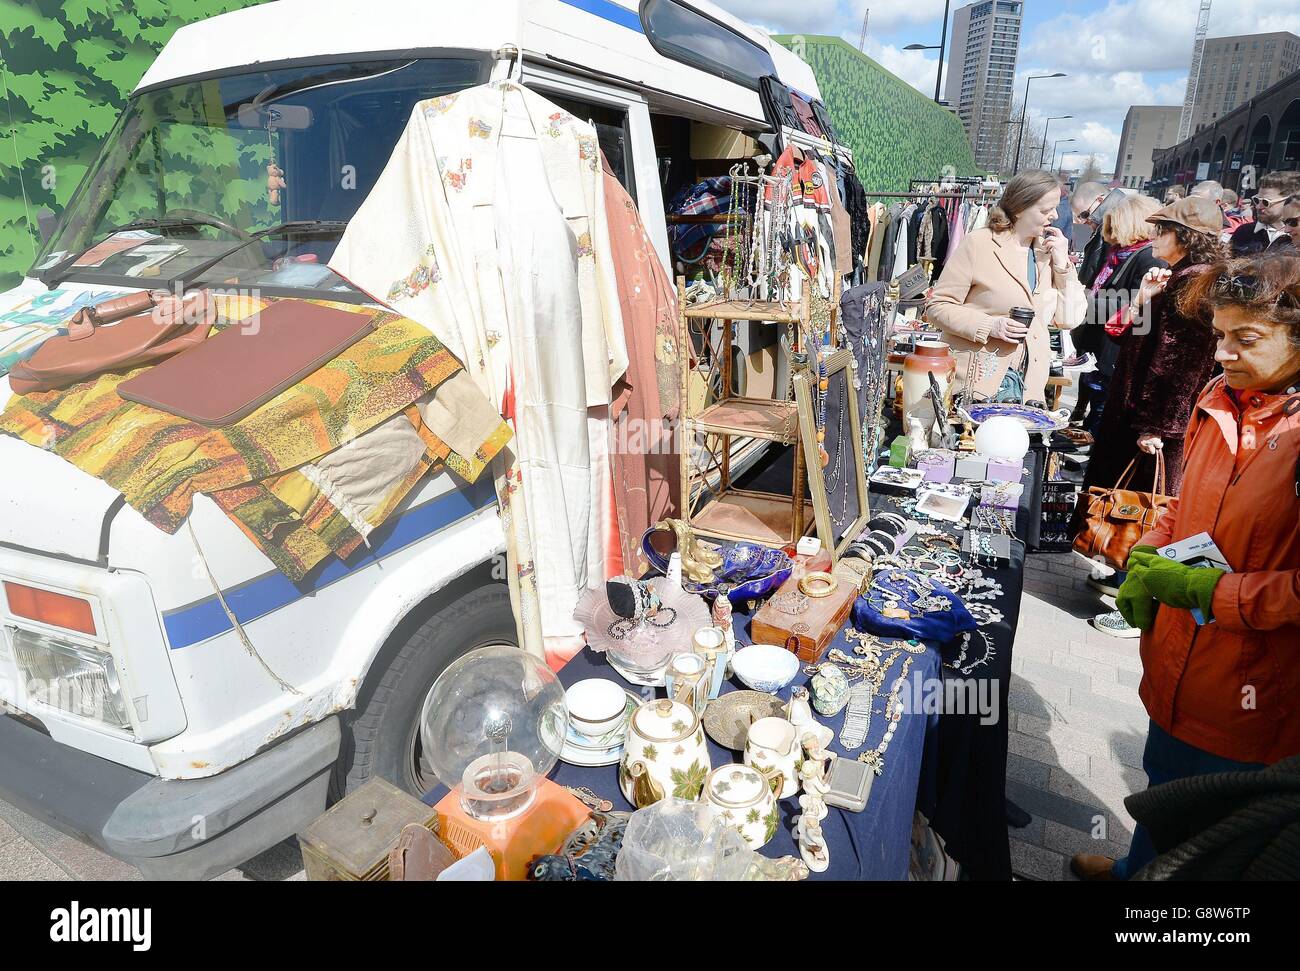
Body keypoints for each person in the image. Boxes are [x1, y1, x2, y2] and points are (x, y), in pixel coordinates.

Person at [1072, 251, 1300, 880]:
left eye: (1245, 339)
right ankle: (1135, 870)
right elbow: (1184, 508)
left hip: (1256, 692)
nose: (1223, 352)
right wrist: (1148, 555)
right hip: (1177, 661)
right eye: (1220, 336)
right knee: (1163, 790)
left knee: (1213, 839)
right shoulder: (1219, 398)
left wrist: (1218, 593)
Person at [1078, 196, 1227, 637]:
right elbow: (1128, 336)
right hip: (1139, 410)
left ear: (1185, 237)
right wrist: (1144, 298)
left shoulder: (1193, 282)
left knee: (1150, 505)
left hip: (1155, 418)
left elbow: (1181, 364)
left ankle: (1135, 601)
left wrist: (1158, 426)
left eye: (1163, 230)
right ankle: (1122, 573)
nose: (1154, 236)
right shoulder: (1176, 278)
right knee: (1134, 500)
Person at [926, 170, 1087, 406]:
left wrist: (1063, 266)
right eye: (1045, 210)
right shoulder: (979, 244)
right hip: (976, 385)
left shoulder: (1049, 253)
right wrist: (989, 325)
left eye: (1055, 208)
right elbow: (937, 307)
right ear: (1020, 208)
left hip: (1028, 390)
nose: (1054, 215)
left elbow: (1069, 319)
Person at [1069, 194, 1166, 434]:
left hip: (1115, 346)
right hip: (1099, 341)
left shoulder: (1149, 257)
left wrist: (1087, 300)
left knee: (1104, 408)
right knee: (1096, 399)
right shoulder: (1119, 252)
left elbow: (1136, 305)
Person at [1229, 171, 1300, 255]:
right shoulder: (1244, 232)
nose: (1258, 206)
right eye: (1256, 200)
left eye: (1266, 202)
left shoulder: (1296, 236)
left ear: (1289, 200)